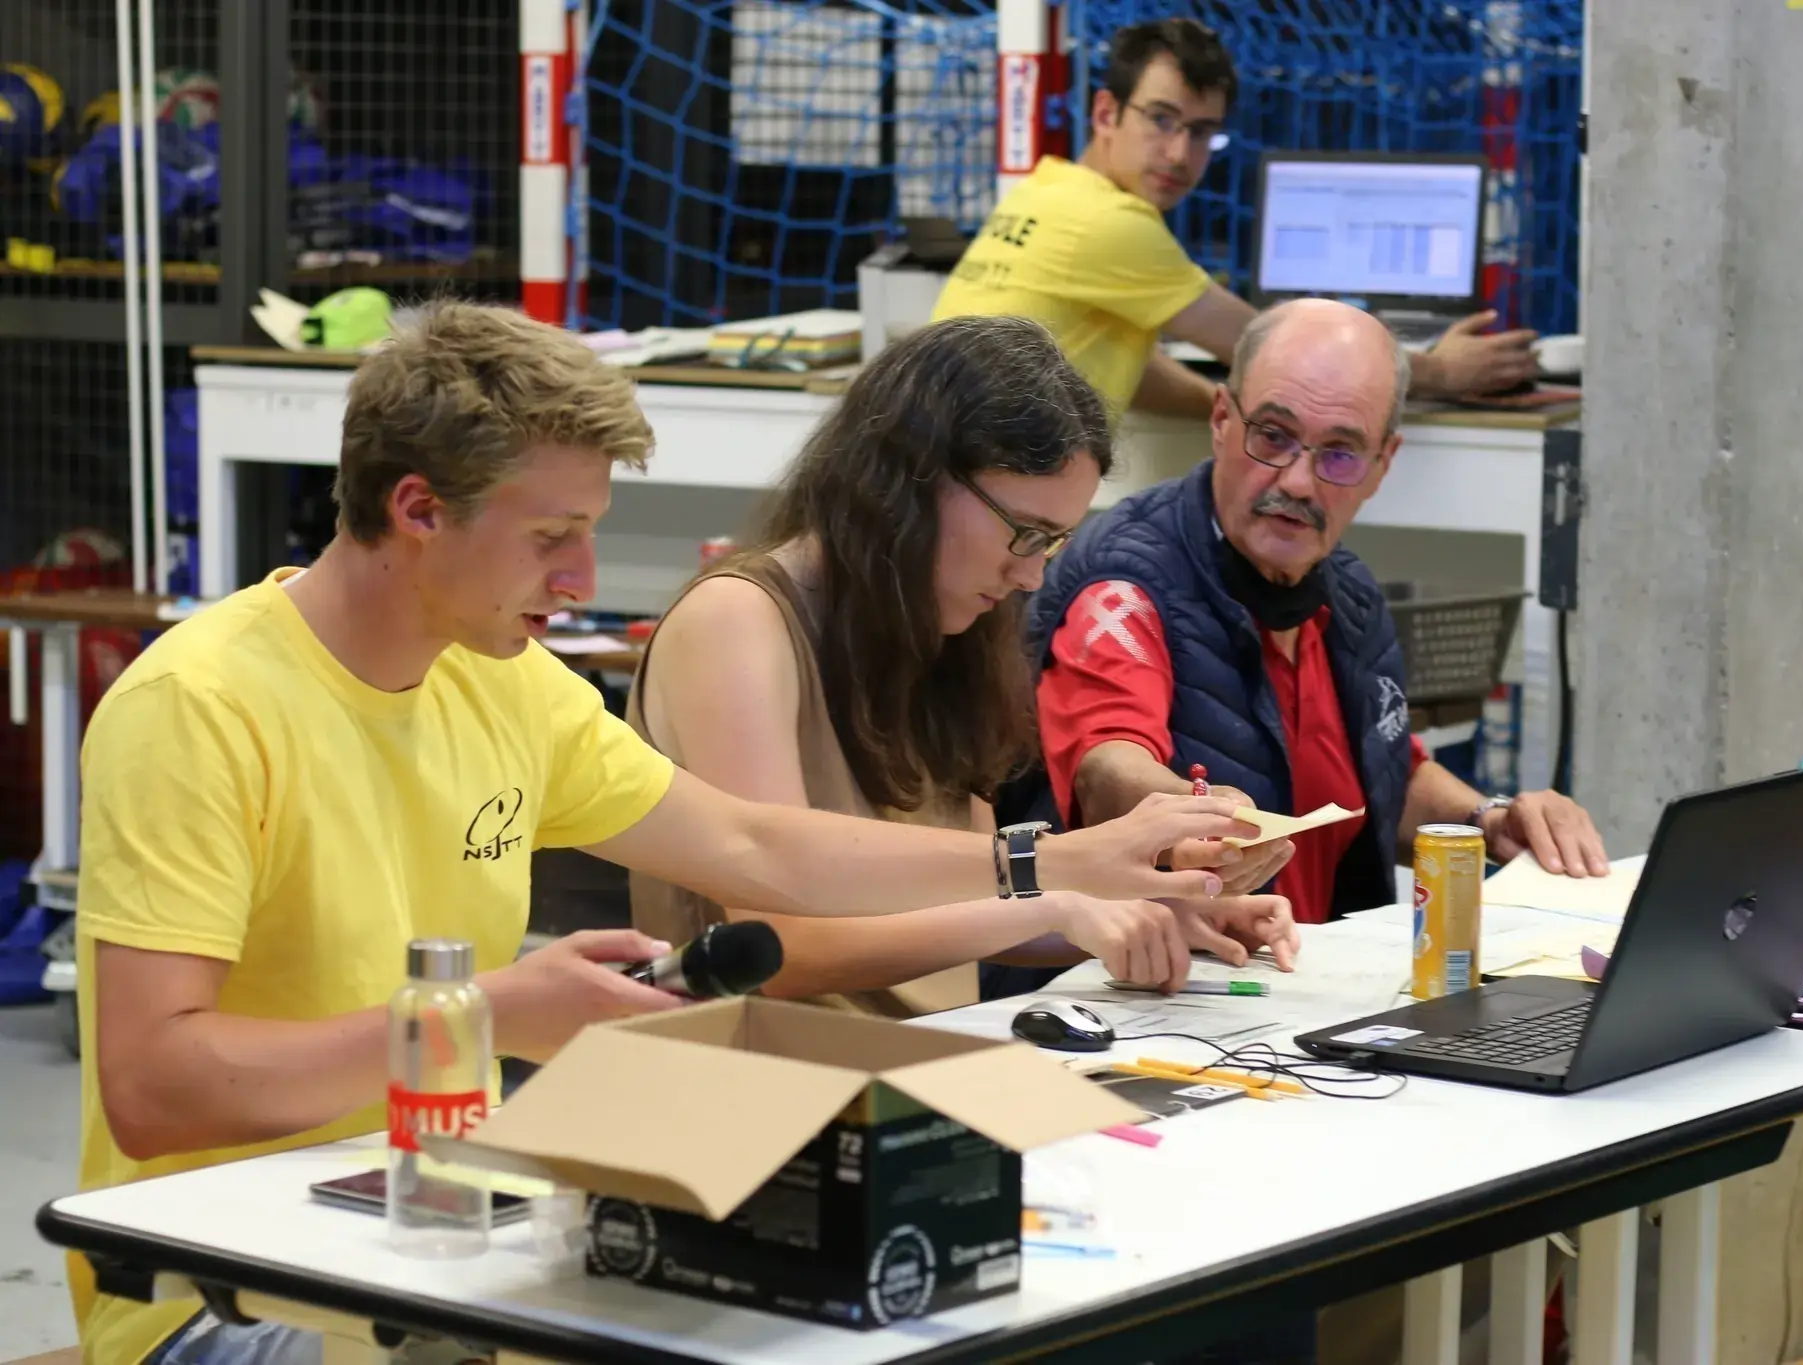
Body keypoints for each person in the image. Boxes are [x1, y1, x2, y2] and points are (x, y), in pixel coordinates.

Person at [68, 302, 1255, 1365]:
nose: (582, 576)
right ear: (417, 510)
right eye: (550, 539)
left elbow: (757, 848)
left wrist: (1037, 865)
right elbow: (155, 1090)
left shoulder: (503, 683)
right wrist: (489, 1016)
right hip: (220, 1290)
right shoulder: (201, 709)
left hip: (444, 1228)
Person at [626, 315, 1297, 1017]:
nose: (1033, 573)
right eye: (1024, 532)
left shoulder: (933, 623)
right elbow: (783, 948)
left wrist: (1152, 910)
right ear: (909, 479)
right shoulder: (736, 621)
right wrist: (1070, 902)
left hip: (914, 1070)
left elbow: (974, 901)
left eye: (1054, 540)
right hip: (756, 1087)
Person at [1029, 297, 1607, 932]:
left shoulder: (1348, 595)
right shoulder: (1125, 587)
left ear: (1381, 466)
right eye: (1273, 436)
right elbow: (1107, 765)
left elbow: (1382, 773)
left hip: (1304, 988)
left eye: (1340, 453)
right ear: (1222, 419)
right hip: (1139, 1000)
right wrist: (1194, 818)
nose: (1300, 482)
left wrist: (1492, 819)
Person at [929, 17, 1537, 422]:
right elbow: (1283, 350)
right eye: (1161, 120)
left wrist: (1229, 407)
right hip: (963, 507)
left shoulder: (1047, 189)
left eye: (1200, 132)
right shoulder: (1108, 224)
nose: (1178, 154)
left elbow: (1123, 370)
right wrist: (1440, 372)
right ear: (1107, 112)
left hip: (933, 484)